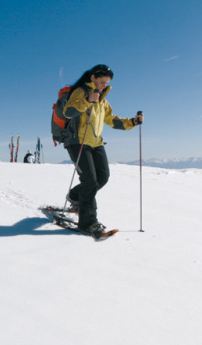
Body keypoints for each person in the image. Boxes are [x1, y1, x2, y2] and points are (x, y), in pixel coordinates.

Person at [62, 64, 144, 236]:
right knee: (90, 182)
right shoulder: (81, 92)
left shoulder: (102, 101)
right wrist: (86, 101)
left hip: (96, 143)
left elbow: (112, 121)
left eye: (106, 83)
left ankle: (75, 195)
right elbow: (68, 112)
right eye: (101, 82)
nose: (103, 86)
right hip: (78, 142)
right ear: (93, 78)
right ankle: (88, 223)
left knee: (103, 177)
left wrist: (133, 122)